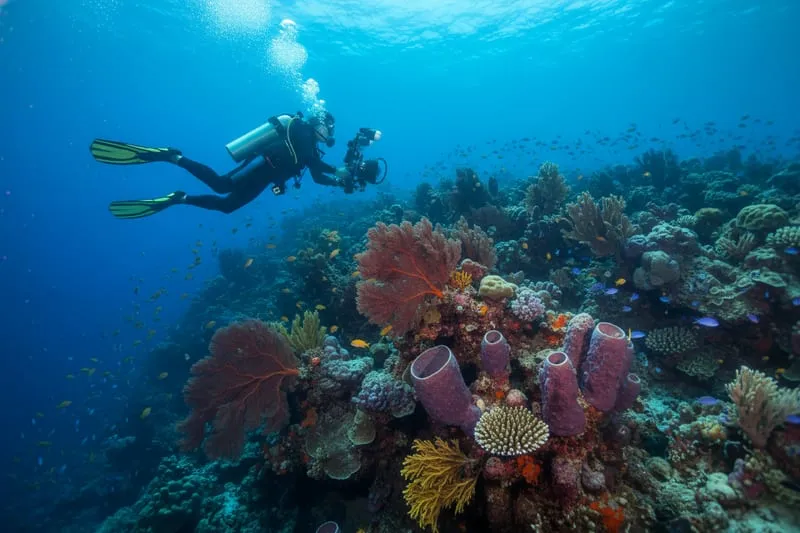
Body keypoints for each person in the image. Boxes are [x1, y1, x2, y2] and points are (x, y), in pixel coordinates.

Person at [90, 111, 344, 218]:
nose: (328, 133)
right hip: (260, 163)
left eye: (328, 129)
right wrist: (337, 170)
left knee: (228, 207)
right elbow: (312, 162)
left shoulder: (311, 147)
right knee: (221, 185)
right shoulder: (301, 129)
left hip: (266, 177)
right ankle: (172, 156)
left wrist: (339, 180)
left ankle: (179, 198)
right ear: (317, 123)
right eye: (326, 127)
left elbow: (316, 175)